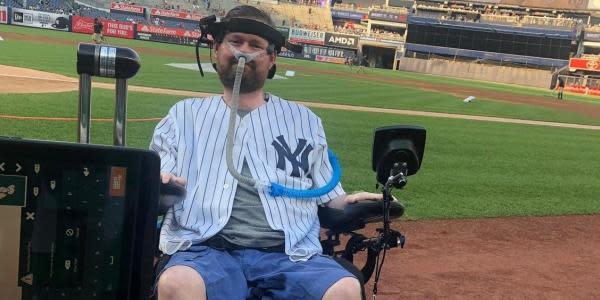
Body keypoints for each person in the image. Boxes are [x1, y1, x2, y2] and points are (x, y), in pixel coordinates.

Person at [150, 5, 382, 300]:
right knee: (177, 284)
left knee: (345, 289)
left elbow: (327, 194)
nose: (243, 52)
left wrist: (348, 200)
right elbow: (159, 176)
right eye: (235, 41)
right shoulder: (183, 116)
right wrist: (160, 180)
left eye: (256, 45)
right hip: (204, 249)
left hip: (289, 255)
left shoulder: (305, 121)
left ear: (271, 59)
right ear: (217, 48)